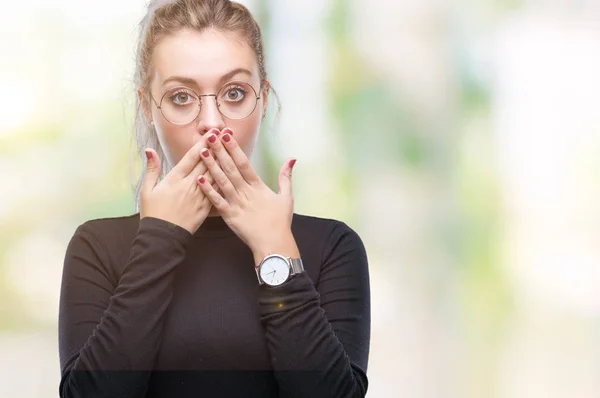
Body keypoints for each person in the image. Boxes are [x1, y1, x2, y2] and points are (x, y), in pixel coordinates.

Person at [57, 0, 371, 396]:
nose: (211, 122)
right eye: (182, 97)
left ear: (263, 98)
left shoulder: (331, 248)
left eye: (235, 92)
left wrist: (275, 251)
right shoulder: (99, 248)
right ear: (147, 107)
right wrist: (158, 241)